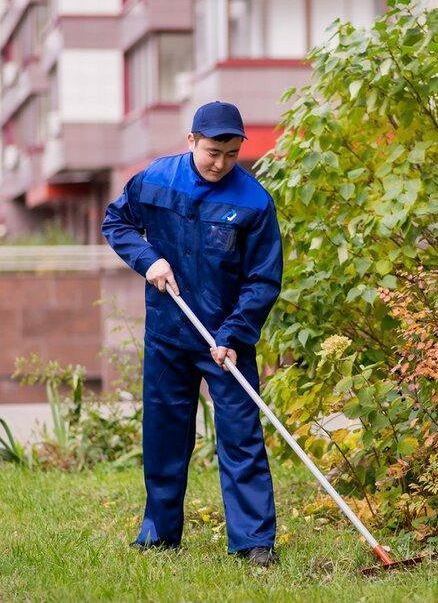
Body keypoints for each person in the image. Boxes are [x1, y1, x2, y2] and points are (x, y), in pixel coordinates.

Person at [101, 101, 283, 567]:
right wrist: (148, 260)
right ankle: (159, 534)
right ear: (191, 142)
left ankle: (253, 542)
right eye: (211, 152)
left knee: (241, 436)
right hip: (168, 332)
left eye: (230, 153)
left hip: (227, 339)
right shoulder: (156, 181)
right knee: (164, 434)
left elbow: (262, 280)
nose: (220, 163)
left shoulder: (254, 202)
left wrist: (235, 333)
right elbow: (116, 222)